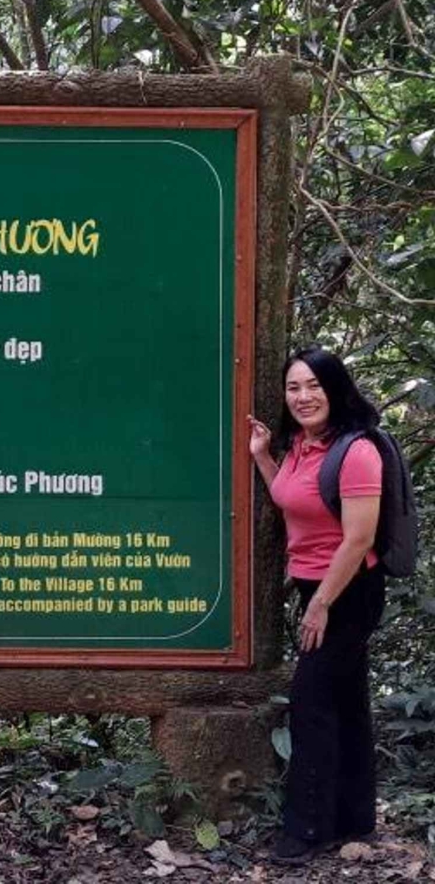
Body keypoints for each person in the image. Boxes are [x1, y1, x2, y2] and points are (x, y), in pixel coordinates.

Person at [248, 345, 384, 865]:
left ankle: (306, 830)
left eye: (313, 385)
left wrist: (321, 604)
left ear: (336, 388)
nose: (303, 397)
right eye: (293, 387)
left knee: (311, 704)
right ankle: (354, 817)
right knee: (346, 699)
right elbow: (290, 500)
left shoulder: (357, 452)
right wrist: (263, 455)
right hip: (317, 589)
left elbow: (358, 539)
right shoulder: (304, 448)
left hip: (347, 592)